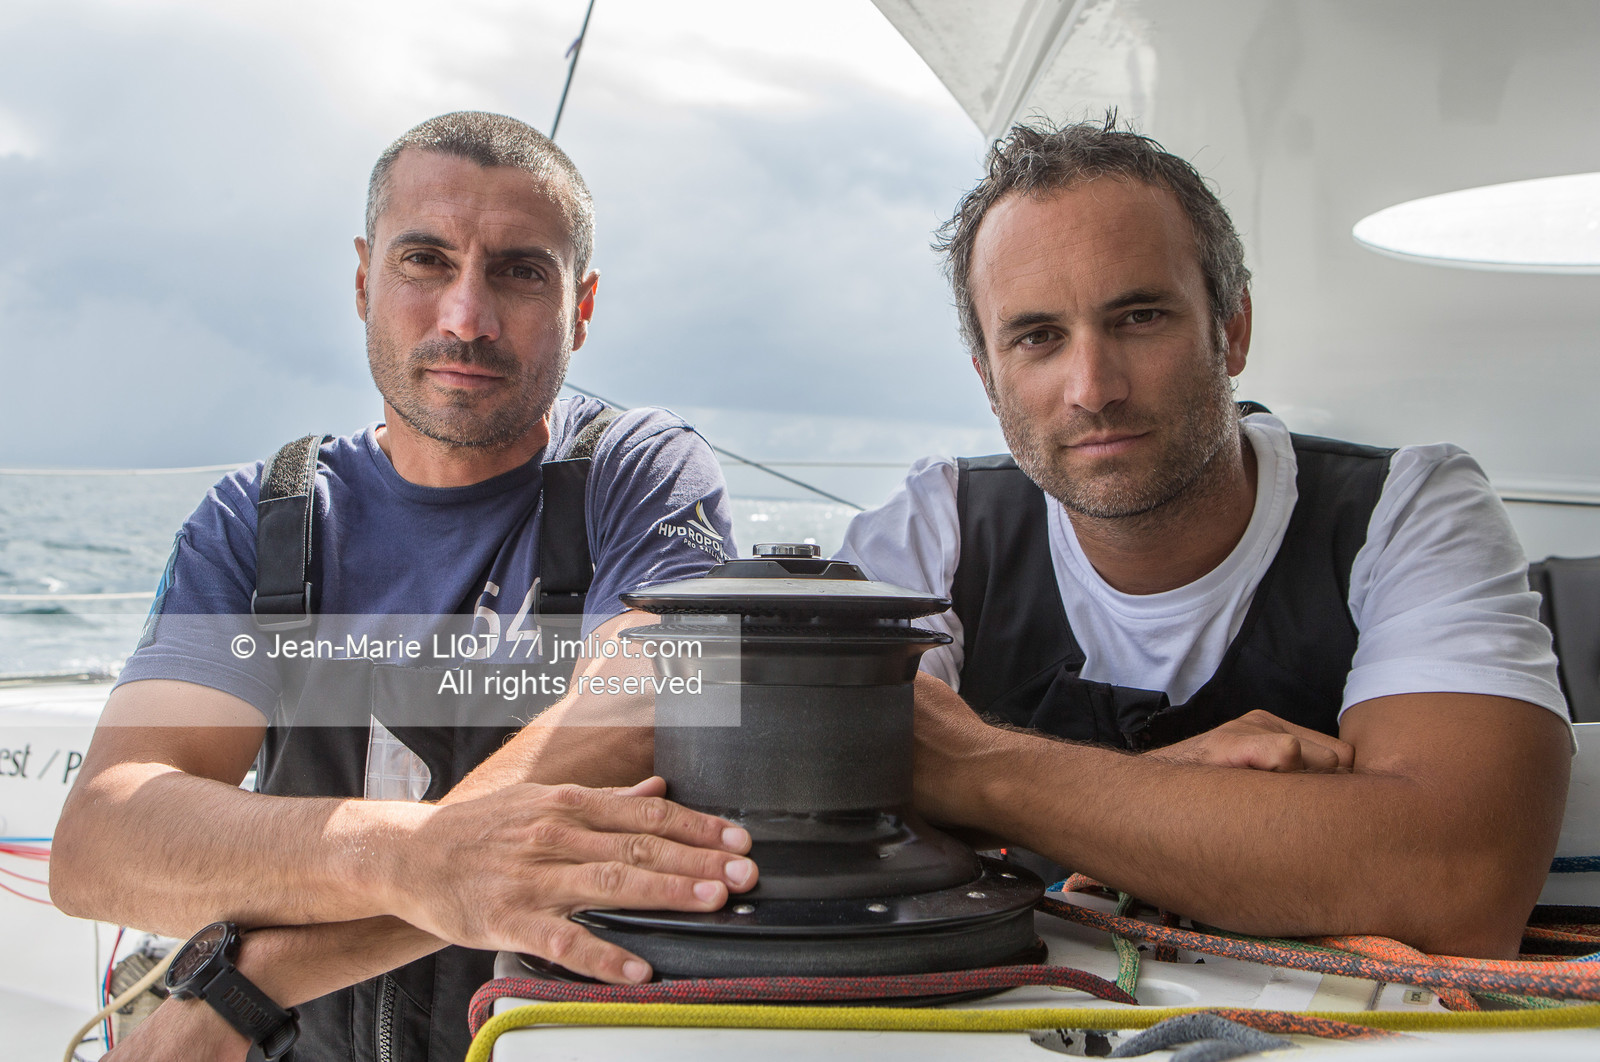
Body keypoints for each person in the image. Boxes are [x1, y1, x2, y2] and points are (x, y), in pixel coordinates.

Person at [50, 112, 757, 1061]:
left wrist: (260, 981)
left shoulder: (637, 475)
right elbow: (103, 841)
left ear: (581, 308)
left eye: (519, 270)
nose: (466, 317)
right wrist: (414, 861)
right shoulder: (266, 520)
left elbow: (652, 702)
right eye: (425, 260)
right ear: (361, 280)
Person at [837, 117, 1573, 960]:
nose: (1093, 388)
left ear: (1232, 330)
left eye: (1140, 317)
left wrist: (970, 766)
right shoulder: (934, 526)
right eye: (1038, 337)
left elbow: (1458, 881)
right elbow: (802, 795)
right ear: (988, 377)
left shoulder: (1405, 510)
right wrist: (1183, 788)